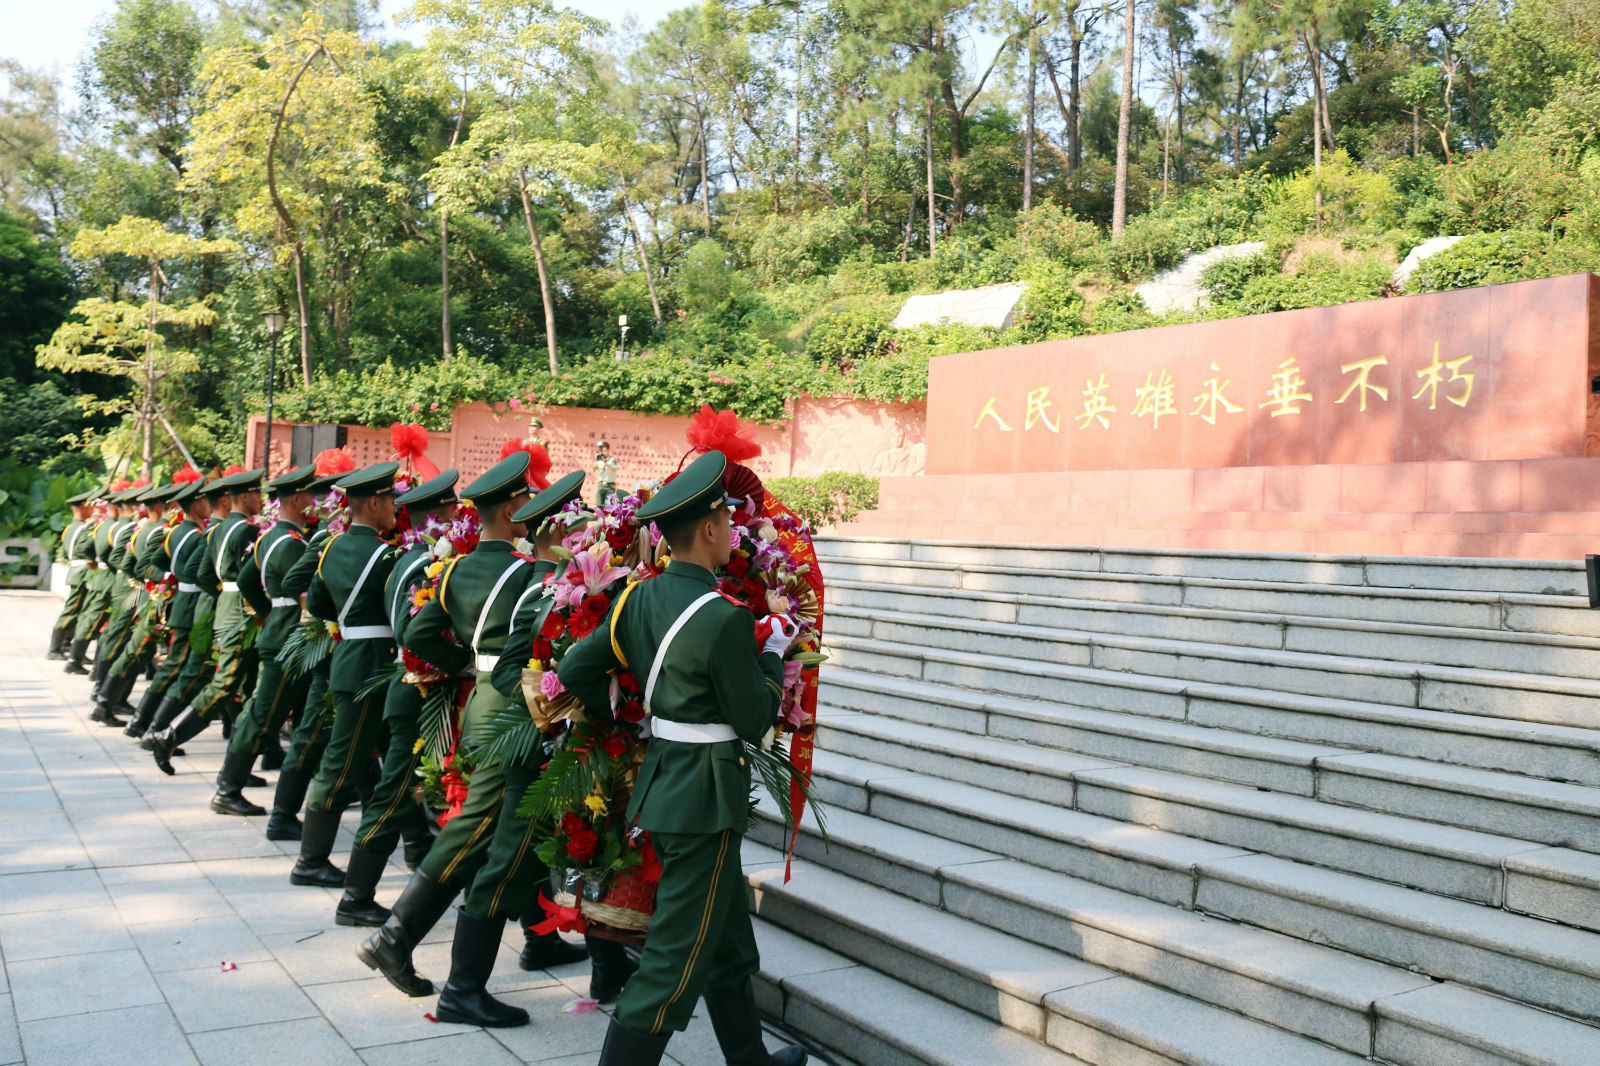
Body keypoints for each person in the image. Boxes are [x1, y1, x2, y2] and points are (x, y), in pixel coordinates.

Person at [559, 450, 806, 1066]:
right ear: (708, 529)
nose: (732, 531)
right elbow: (753, 718)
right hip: (702, 798)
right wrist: (774, 653)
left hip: (665, 778)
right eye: (726, 520)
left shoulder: (634, 599)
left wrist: (623, 713)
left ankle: (749, 1059)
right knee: (673, 961)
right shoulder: (724, 618)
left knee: (722, 941)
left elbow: (575, 668)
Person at [356, 452, 586, 1016]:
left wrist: (465, 664)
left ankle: (401, 940)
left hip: (480, 702)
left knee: (479, 830)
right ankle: (410, 949)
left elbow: (419, 633)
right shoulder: (525, 571)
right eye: (526, 499)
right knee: (486, 835)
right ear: (513, 508)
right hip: (515, 710)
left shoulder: (456, 568)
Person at [491, 470, 638, 1004]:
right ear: (554, 535)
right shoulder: (540, 588)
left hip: (605, 732)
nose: (586, 535)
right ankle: (604, 964)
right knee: (585, 840)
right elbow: (512, 668)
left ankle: (607, 968)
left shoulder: (610, 578)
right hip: (568, 737)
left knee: (598, 840)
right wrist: (551, 702)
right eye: (575, 528)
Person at [334, 468, 461, 927]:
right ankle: (355, 896)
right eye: (452, 511)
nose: (459, 516)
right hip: (417, 696)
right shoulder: (423, 563)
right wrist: (460, 661)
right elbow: (413, 635)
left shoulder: (405, 559)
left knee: (406, 795)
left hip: (410, 692)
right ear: (438, 516)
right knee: (392, 796)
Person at [290, 461, 403, 888]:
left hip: (349, 658)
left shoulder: (331, 548)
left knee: (392, 759)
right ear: (373, 502)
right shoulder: (387, 554)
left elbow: (318, 605)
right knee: (341, 764)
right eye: (390, 499)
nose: (395, 505)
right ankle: (309, 860)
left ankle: (413, 839)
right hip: (370, 667)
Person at [212, 464, 320, 816]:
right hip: (287, 640)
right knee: (264, 717)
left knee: (292, 716)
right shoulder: (291, 544)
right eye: (310, 495)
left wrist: (266, 612)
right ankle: (227, 790)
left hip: (280, 634)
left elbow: (246, 580)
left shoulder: (270, 537)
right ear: (297, 499)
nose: (315, 501)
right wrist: (273, 615)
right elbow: (303, 594)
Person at [147, 468, 267, 775]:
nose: (261, 498)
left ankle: (237, 768)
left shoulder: (220, 528)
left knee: (244, 685)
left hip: (228, 606)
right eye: (257, 493)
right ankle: (168, 736)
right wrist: (260, 609)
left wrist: (223, 594)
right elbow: (248, 579)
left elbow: (203, 574)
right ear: (243, 497)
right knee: (225, 683)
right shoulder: (247, 532)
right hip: (241, 611)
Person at [262, 470, 347, 841]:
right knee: (312, 733)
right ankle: (283, 816)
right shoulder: (326, 538)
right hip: (333, 651)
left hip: (355, 655)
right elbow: (294, 582)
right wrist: (333, 612)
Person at [125, 479, 212, 735]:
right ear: (196, 505)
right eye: (205, 500)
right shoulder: (196, 536)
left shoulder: (175, 532)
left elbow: (154, 564)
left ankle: (142, 722)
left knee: (175, 665)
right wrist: (176, 577)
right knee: (175, 665)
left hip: (180, 603)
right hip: (190, 605)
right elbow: (187, 570)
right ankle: (147, 724)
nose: (209, 505)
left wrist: (169, 578)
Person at [88, 486, 158, 726]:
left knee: (120, 639)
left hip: (129, 585)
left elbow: (122, 559)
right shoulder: (137, 528)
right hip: (132, 589)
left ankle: (107, 694)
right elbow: (122, 559)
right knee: (120, 639)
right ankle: (103, 691)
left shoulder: (137, 528)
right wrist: (137, 582)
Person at [63, 488, 111, 675]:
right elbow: (84, 547)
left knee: (95, 619)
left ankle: (79, 660)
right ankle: (75, 660)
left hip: (102, 576)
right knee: (93, 619)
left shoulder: (102, 524)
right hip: (105, 577)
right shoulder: (104, 525)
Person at [48, 489, 99, 661]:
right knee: (71, 611)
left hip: (77, 571)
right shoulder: (84, 527)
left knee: (77, 610)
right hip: (82, 572)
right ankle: (54, 649)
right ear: (84, 507)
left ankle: (66, 646)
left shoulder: (71, 527)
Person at [594, 440, 619, 508]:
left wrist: (605, 462)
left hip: (610, 486)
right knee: (599, 505)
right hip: (601, 485)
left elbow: (611, 470)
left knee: (608, 506)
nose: (603, 453)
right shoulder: (600, 460)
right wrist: (595, 460)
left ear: (608, 450)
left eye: (604, 450)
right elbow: (593, 469)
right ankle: (600, 518)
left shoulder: (613, 460)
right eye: (602, 451)